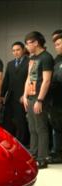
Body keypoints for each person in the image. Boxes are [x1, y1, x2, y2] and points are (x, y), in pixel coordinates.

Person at [22, 31, 54, 169]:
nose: (27, 46)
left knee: (41, 127)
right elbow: (29, 77)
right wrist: (24, 95)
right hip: (30, 96)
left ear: (36, 42)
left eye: (28, 43)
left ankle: (42, 158)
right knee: (32, 127)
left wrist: (39, 100)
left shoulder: (46, 57)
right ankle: (33, 153)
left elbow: (46, 80)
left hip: (39, 97)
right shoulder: (32, 58)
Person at [0, 42, 30, 147]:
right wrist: (2, 95)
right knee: (7, 121)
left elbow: (31, 81)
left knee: (21, 121)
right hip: (11, 97)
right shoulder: (10, 64)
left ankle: (22, 144)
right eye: (13, 50)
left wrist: (26, 95)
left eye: (18, 50)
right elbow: (6, 81)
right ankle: (9, 143)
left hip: (22, 97)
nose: (15, 52)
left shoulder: (29, 62)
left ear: (23, 50)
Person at [47, 33, 62, 163]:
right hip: (56, 100)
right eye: (55, 45)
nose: (56, 47)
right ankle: (57, 153)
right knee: (57, 127)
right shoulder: (56, 60)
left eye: (58, 44)